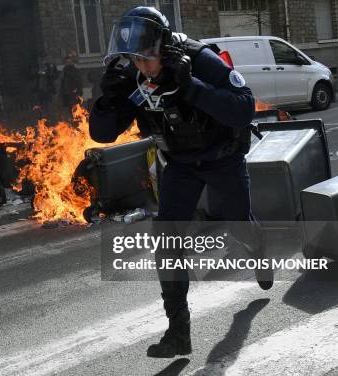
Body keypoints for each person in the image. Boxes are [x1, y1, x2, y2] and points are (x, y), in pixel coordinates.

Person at [88, 6, 274, 358]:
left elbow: (243, 107)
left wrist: (191, 86)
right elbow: (102, 133)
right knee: (167, 240)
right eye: (135, 60)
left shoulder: (200, 60)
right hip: (180, 165)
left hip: (222, 158)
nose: (142, 68)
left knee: (237, 222)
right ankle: (178, 332)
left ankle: (258, 249)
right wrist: (108, 100)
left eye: (147, 58)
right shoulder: (137, 77)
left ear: (164, 46)